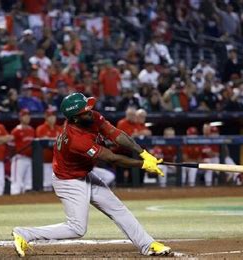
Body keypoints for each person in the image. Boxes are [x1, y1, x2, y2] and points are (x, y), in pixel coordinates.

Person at [12, 93, 171, 257]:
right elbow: (112, 158)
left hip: (84, 174)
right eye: (85, 111)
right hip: (69, 181)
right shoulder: (76, 140)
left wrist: (144, 153)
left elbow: (116, 135)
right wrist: (143, 165)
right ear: (75, 118)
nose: (90, 112)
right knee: (77, 229)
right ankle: (25, 234)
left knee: (118, 209)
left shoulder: (90, 117)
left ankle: (147, 244)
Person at [35, 108, 62, 191]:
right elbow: (43, 142)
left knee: (59, 187)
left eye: (54, 116)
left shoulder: (59, 128)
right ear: (46, 117)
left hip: (57, 163)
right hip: (45, 162)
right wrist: (55, 140)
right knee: (47, 186)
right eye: (50, 116)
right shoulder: (41, 128)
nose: (52, 118)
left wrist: (51, 139)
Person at [10, 109, 35, 195]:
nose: (27, 117)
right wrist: (13, 156)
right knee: (17, 182)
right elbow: (11, 146)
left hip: (29, 159)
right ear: (20, 117)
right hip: (19, 158)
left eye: (28, 115)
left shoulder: (31, 130)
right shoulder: (16, 130)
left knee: (28, 183)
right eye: (25, 115)